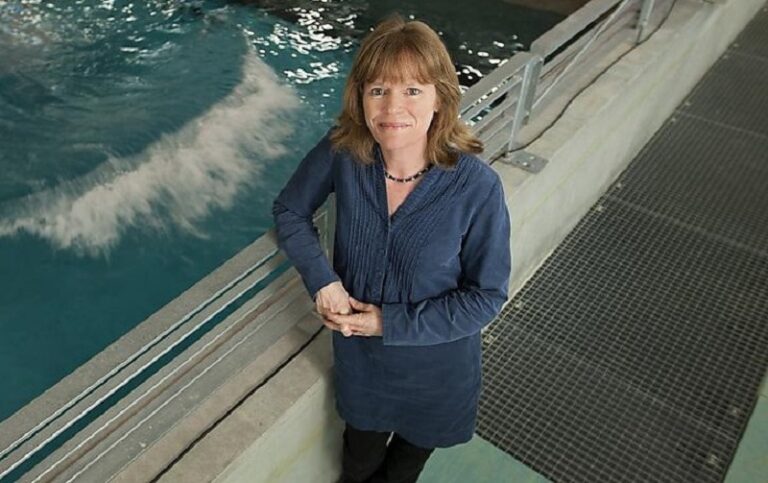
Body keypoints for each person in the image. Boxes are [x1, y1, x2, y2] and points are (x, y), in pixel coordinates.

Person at [272, 15, 511, 483]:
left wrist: (387, 322)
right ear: (360, 98)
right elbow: (290, 211)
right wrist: (323, 281)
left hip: (438, 371)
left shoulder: (478, 187)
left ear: (440, 98)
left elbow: (486, 297)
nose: (392, 108)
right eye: (378, 90)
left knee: (402, 472)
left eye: (413, 90)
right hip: (363, 365)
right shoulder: (343, 151)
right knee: (358, 465)